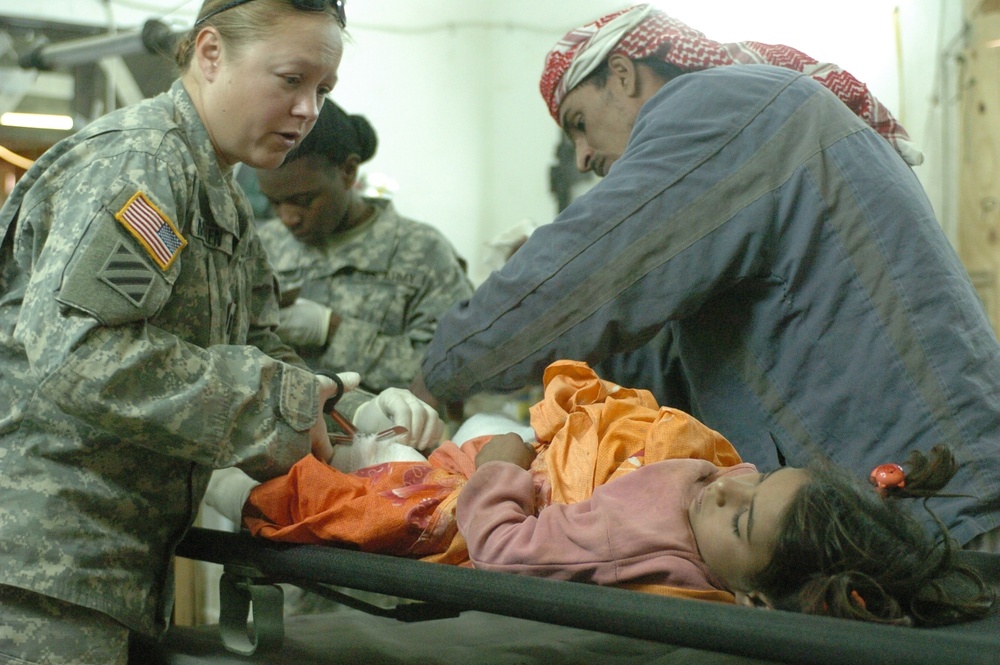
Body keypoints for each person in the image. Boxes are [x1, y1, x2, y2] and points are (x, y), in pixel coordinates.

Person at [415, 4, 1000, 552]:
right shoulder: (740, 154)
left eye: (579, 123)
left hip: (939, 506)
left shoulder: (716, 108)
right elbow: (671, 369)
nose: (582, 156)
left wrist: (440, 371)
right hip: (906, 507)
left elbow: (583, 276)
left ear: (623, 74)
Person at [0, 1, 440, 662]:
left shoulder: (222, 194)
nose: (307, 110)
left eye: (322, 90)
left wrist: (357, 415)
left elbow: (264, 339)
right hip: (41, 567)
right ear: (210, 54)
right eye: (289, 80)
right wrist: (279, 403)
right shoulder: (139, 166)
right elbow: (81, 357)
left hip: (112, 564)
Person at [206, 360, 994, 626]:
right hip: (521, 456)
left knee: (378, 510)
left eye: (739, 516)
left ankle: (239, 491)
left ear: (752, 597)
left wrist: (500, 468)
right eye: (744, 478)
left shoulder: (646, 546)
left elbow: (506, 550)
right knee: (398, 448)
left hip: (480, 493)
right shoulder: (727, 489)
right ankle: (362, 439)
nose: (726, 485)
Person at [254, 100, 474, 394]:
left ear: (348, 171)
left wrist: (333, 329)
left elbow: (453, 372)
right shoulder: (261, 247)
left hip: (388, 436)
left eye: (304, 200)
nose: (288, 217)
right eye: (274, 202)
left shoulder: (420, 252)